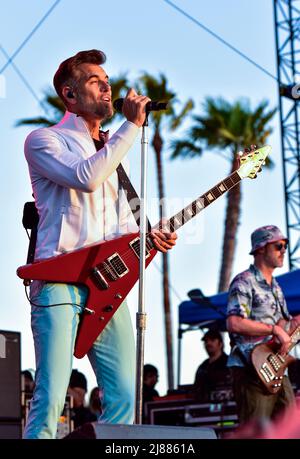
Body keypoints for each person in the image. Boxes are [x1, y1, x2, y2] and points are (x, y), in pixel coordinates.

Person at [22, 49, 177, 439]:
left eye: (108, 80)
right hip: (60, 279)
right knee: (53, 393)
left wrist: (149, 239)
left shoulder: (114, 153)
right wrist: (131, 127)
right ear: (70, 95)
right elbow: (86, 177)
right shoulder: (45, 140)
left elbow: (124, 226)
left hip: (106, 284)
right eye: (95, 81)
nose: (107, 87)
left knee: (125, 395)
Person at [226, 224, 300, 424]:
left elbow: (284, 324)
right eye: (278, 246)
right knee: (257, 432)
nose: (284, 250)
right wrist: (274, 329)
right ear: (260, 249)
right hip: (251, 368)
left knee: (291, 429)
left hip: (277, 367)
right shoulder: (243, 282)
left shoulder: (276, 287)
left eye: (285, 245)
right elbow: (234, 323)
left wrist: (292, 325)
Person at [193, 329, 232, 402]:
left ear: (220, 344)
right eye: (206, 341)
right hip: (203, 407)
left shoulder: (229, 363)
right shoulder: (202, 367)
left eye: (212, 340)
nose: (208, 343)